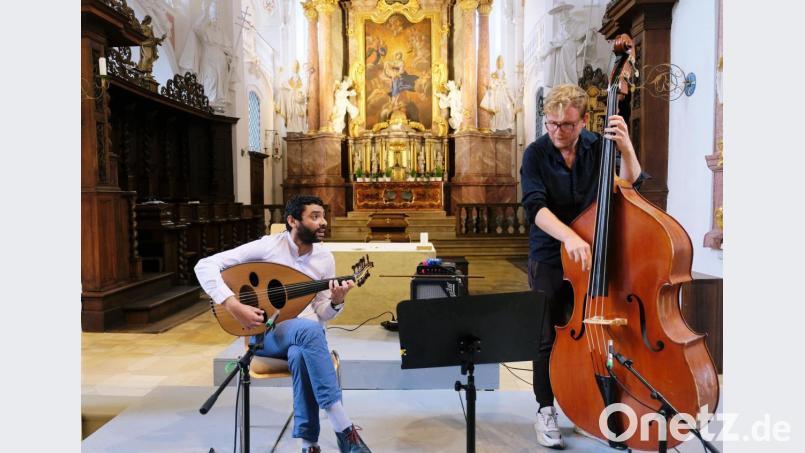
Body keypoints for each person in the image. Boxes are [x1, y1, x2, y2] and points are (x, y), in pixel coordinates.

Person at [194, 195, 371, 453]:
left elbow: (322, 312)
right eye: (315, 217)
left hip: (307, 340)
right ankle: (345, 429)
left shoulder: (324, 257)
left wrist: (336, 301)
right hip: (267, 334)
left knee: (301, 353)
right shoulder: (268, 247)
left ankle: (309, 444)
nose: (323, 222)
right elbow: (205, 265)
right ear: (292, 220)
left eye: (323, 216)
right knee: (310, 330)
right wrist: (234, 305)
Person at [519, 84, 644, 449]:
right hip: (549, 254)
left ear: (585, 120)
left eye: (567, 125)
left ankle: (590, 409)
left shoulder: (599, 147)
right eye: (552, 123)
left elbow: (629, 184)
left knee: (595, 332)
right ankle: (545, 409)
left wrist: (627, 148)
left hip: (594, 254)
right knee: (546, 335)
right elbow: (535, 207)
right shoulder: (536, 153)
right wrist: (568, 237)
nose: (558, 131)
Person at [480, 55, 516, 132]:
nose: (500, 63)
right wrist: (494, 85)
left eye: (501, 61)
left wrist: (513, 100)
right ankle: (496, 126)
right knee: (497, 111)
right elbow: (490, 85)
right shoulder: (493, 75)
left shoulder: (505, 76)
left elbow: (508, 89)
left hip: (504, 96)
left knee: (507, 109)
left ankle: (507, 126)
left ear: (503, 63)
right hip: (496, 95)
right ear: (496, 63)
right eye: (499, 61)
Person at [277, 61, 308, 133]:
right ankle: (292, 128)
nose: (295, 67)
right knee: (291, 114)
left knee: (298, 116)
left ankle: (300, 129)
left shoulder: (302, 82)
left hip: (298, 103)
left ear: (298, 68)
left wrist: (299, 95)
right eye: (294, 66)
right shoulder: (289, 81)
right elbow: (282, 85)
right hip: (291, 102)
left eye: (296, 66)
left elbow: (304, 92)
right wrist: (280, 75)